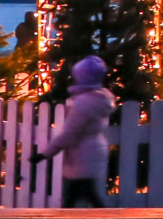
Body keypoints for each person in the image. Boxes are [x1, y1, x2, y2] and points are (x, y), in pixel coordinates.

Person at [35, 54, 114, 207]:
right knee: (84, 196)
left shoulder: (83, 104)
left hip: (82, 155)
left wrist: (46, 153)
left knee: (77, 197)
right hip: (93, 152)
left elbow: (70, 134)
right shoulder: (100, 99)